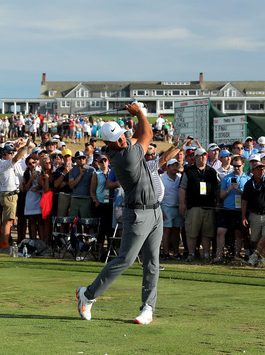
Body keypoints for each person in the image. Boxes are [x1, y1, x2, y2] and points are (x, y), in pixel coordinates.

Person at [76, 102, 161, 325]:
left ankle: (148, 308)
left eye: (123, 136)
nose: (123, 139)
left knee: (152, 263)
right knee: (126, 259)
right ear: (109, 144)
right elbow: (148, 133)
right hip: (138, 214)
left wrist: (137, 117)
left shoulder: (123, 148)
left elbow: (138, 136)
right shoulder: (126, 156)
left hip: (155, 212)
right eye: (118, 139)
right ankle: (88, 294)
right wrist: (140, 113)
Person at [178, 147, 220, 261]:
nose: (203, 157)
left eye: (204, 155)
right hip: (193, 207)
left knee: (207, 233)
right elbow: (182, 188)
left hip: (209, 206)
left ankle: (206, 255)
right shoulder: (188, 171)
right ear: (196, 157)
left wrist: (217, 204)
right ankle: (191, 254)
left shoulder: (212, 171)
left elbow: (217, 189)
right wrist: (182, 203)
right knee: (192, 232)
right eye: (200, 155)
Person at [241, 160, 265, 267]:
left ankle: (254, 255)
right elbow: (244, 201)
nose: (261, 171)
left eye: (262, 169)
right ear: (253, 171)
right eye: (258, 169)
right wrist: (243, 216)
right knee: (255, 239)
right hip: (254, 214)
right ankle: (263, 259)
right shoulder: (248, 184)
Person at [216, 155, 250, 262]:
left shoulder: (247, 179)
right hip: (227, 209)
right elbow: (221, 196)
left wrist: (239, 191)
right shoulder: (227, 178)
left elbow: (249, 197)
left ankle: (237, 255)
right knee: (220, 231)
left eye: (238, 166)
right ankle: (219, 256)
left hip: (240, 210)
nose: (236, 168)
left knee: (238, 233)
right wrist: (229, 189)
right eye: (234, 166)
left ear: (243, 165)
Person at [0, 139, 30, 248]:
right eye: (10, 153)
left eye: (12, 152)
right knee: (7, 222)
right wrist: (25, 147)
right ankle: (4, 244)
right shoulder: (3, 163)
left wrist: (17, 148)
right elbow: (17, 158)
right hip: (9, 194)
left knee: (8, 221)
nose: (12, 155)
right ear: (4, 154)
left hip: (9, 194)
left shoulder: (5, 163)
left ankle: (4, 243)